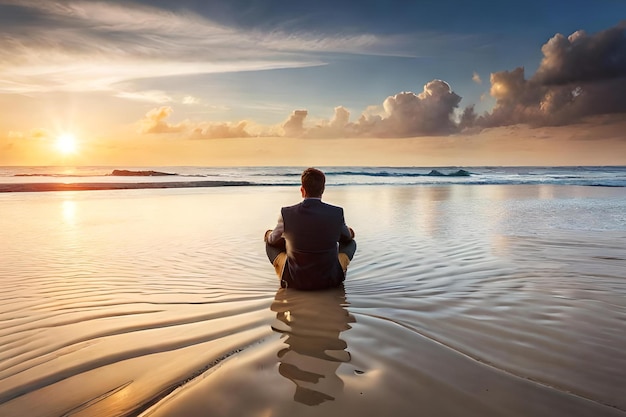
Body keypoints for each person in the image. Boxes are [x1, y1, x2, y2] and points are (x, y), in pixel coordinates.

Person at [264, 168, 357, 290]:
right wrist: (349, 232)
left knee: (270, 242)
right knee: (350, 242)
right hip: (330, 280)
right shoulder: (336, 212)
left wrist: (268, 234)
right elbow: (347, 237)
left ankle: (284, 277)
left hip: (295, 281)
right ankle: (340, 273)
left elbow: (272, 240)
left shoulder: (286, 213)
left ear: (302, 190)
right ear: (323, 190)